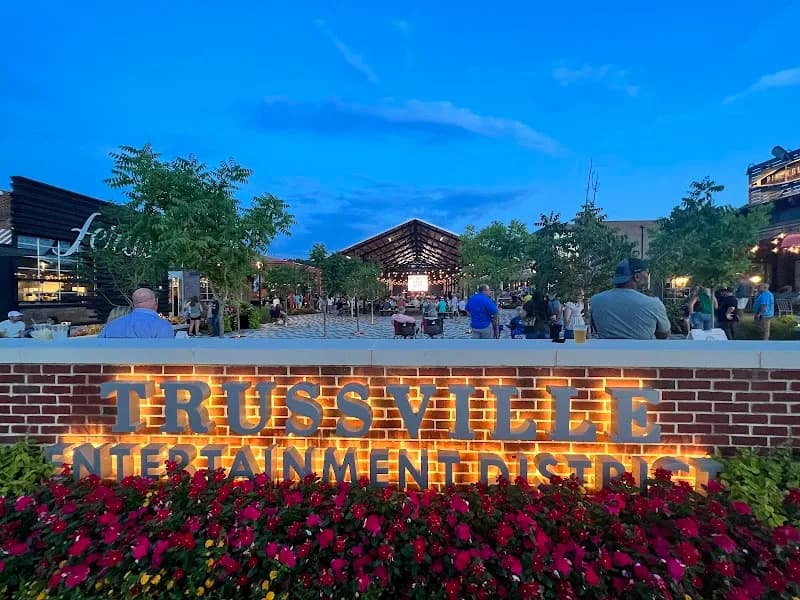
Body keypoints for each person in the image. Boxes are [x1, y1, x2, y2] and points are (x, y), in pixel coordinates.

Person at [590, 258, 670, 340]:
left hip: (606, 352)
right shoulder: (654, 304)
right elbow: (663, 335)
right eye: (647, 272)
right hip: (643, 352)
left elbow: (595, 329)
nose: (647, 276)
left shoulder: (596, 301)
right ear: (637, 277)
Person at [99, 288, 174, 339]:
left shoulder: (111, 326)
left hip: (115, 361)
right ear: (156, 301)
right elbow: (166, 356)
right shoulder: (163, 326)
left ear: (133, 303)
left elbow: (99, 349)